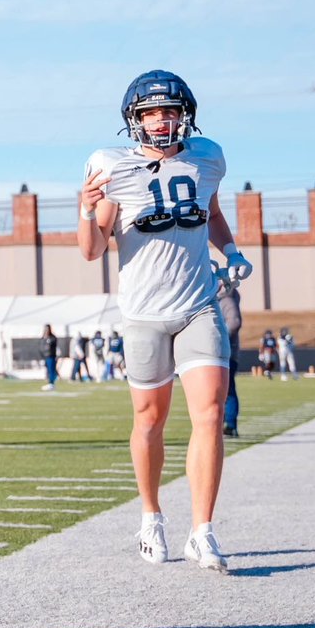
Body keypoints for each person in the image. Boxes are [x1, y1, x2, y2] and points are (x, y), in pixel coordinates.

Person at [79, 69, 252, 574]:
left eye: (170, 110)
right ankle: (151, 515)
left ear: (186, 115)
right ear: (134, 119)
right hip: (144, 313)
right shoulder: (112, 168)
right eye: (152, 111)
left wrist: (233, 248)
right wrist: (87, 211)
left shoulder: (207, 158)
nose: (162, 120)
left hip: (199, 303)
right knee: (150, 420)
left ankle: (203, 530)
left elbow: (212, 213)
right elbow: (92, 252)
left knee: (210, 415)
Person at [216, 271, 242, 438]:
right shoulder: (222, 299)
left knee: (228, 390)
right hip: (222, 351)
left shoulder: (226, 300)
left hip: (227, 352)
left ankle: (229, 424)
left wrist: (218, 335)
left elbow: (234, 322)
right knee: (219, 390)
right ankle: (223, 423)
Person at [40, 324, 59, 390]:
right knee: (47, 370)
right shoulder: (43, 338)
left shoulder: (52, 337)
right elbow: (41, 347)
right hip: (45, 356)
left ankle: (51, 383)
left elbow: (53, 345)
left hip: (51, 356)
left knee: (51, 370)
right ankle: (49, 383)